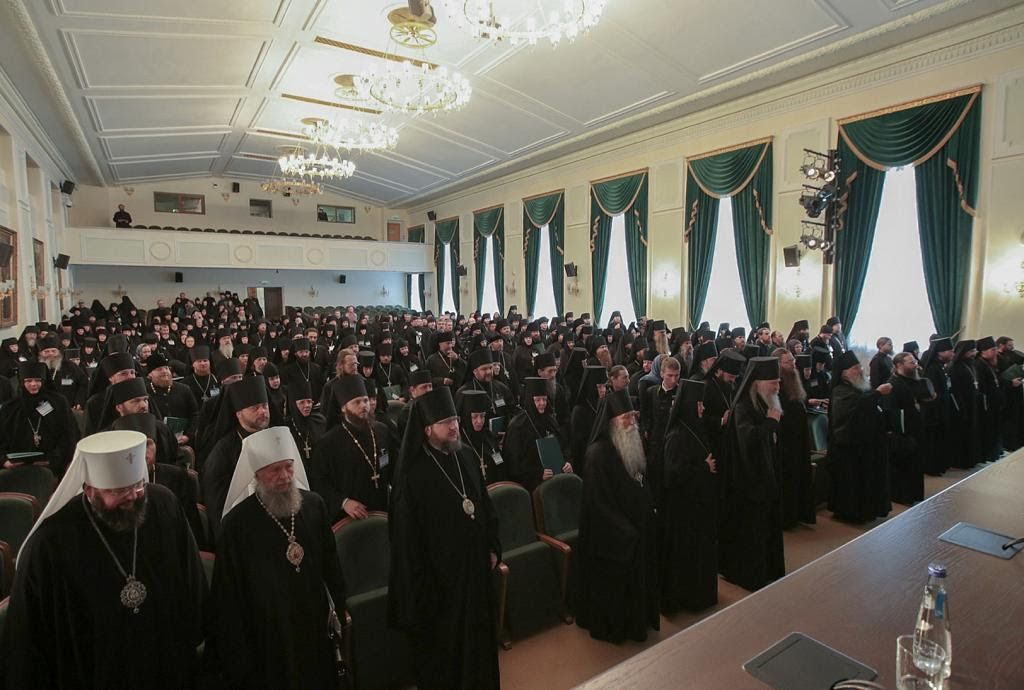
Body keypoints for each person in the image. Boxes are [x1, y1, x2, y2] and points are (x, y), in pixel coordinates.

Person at [3, 430, 206, 688]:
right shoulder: (50, 543)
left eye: (138, 484)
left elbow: (191, 582)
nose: (132, 496)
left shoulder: (163, 505)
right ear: (89, 490)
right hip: (94, 669)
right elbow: (30, 639)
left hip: (163, 657)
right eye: (119, 490)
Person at [209, 426, 347, 689]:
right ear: (257, 474)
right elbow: (229, 593)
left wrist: (338, 609)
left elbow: (331, 567)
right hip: (267, 629)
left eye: (289, 467)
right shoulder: (237, 523)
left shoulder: (314, 505)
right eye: (275, 470)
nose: (285, 477)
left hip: (313, 619)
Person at [388, 387, 501, 690]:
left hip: (475, 573)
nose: (454, 427)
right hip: (440, 587)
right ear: (427, 429)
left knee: (480, 647)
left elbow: (484, 506)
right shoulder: (412, 476)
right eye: (445, 422)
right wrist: (424, 588)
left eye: (455, 420)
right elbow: (407, 543)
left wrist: (493, 546)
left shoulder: (466, 455)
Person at [575, 388, 659, 642]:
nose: (631, 422)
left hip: (635, 526)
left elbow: (640, 479)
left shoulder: (630, 443)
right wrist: (625, 531)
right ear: (611, 422)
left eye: (633, 416)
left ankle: (638, 622)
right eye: (625, 418)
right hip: (612, 537)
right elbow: (598, 504)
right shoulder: (597, 454)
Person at [719, 357, 785, 591]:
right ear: (757, 382)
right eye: (773, 382)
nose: (777, 387)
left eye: (778, 382)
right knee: (751, 532)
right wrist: (771, 423)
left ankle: (768, 571)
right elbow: (747, 440)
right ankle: (750, 576)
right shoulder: (743, 406)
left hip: (763, 477)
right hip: (747, 482)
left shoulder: (763, 400)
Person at [660, 379, 718, 613]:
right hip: (683, 508)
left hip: (699, 503)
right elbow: (672, 475)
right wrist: (704, 468)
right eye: (699, 404)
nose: (702, 408)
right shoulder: (676, 436)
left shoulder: (695, 427)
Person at [310, 374, 393, 522]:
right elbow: (319, 482)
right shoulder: (328, 443)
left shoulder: (382, 431)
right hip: (349, 517)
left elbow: (394, 467)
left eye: (365, 400)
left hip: (383, 508)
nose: (364, 406)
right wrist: (343, 502)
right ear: (343, 407)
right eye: (357, 402)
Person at [202, 375, 271, 543]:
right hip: (244, 531)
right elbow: (218, 506)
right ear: (239, 414)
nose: (262, 411)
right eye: (255, 408)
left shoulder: (275, 439)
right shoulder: (222, 453)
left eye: (264, 405)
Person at [828, 351, 893, 523]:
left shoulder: (859, 387)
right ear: (844, 373)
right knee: (853, 482)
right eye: (855, 368)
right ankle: (851, 514)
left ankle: (868, 511)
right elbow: (856, 409)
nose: (860, 371)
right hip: (849, 447)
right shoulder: (840, 391)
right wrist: (877, 393)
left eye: (859, 367)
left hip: (866, 443)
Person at [0, 361, 79, 476]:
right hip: (16, 470)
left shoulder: (58, 402)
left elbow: (69, 435)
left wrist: (53, 461)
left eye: (37, 380)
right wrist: (3, 460)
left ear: (44, 381)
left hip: (53, 468)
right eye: (28, 381)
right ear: (21, 382)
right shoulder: (9, 408)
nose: (33, 384)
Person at [503, 377, 572, 491]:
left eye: (544, 399)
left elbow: (564, 446)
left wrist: (567, 462)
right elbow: (513, 464)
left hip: (556, 479)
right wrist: (538, 474)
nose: (542, 403)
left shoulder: (550, 420)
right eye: (538, 400)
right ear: (530, 400)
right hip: (531, 487)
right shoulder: (517, 426)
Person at [774, 348, 816, 527]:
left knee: (799, 475)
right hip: (785, 439)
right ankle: (787, 518)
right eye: (788, 362)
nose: (793, 364)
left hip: (799, 436)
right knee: (787, 478)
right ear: (778, 365)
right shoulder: (776, 385)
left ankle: (799, 513)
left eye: (793, 361)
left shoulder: (794, 380)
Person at [886, 352, 930, 505]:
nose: (915, 364)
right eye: (911, 362)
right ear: (899, 365)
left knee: (916, 464)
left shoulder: (914, 380)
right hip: (903, 432)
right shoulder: (893, 383)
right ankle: (903, 496)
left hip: (916, 428)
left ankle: (915, 494)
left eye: (914, 361)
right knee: (904, 466)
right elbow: (891, 410)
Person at [920, 337, 955, 475]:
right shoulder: (932, 369)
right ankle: (932, 467)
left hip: (941, 410)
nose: (952, 353)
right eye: (950, 351)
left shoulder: (940, 367)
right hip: (934, 413)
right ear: (940, 353)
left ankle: (939, 465)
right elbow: (931, 395)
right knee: (933, 441)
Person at [458, 389, 506, 484]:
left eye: (482, 416)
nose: (479, 421)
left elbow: (500, 464)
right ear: (466, 417)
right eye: (475, 417)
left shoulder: (489, 436)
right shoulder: (459, 442)